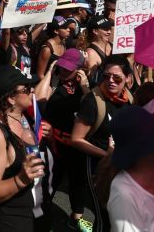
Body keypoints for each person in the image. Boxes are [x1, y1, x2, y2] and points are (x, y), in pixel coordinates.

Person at [0, 64, 45, 231]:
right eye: (26, 89)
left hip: (27, 213)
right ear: (11, 98)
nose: (32, 91)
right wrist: (21, 179)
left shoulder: (20, 117)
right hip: (5, 221)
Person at [69, 58, 134, 230]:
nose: (111, 81)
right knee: (104, 215)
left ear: (128, 78)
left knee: (118, 213)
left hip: (121, 163)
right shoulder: (93, 102)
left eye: (117, 78)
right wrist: (107, 155)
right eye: (106, 76)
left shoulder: (129, 99)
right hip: (98, 166)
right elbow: (76, 139)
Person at [43, 48, 91, 231]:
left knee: (78, 182)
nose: (63, 71)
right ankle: (42, 211)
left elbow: (90, 111)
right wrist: (50, 73)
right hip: (55, 144)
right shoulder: (55, 83)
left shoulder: (85, 88)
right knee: (51, 180)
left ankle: (76, 217)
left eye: (68, 68)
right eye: (61, 67)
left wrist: (85, 86)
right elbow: (40, 100)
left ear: (79, 69)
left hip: (77, 146)